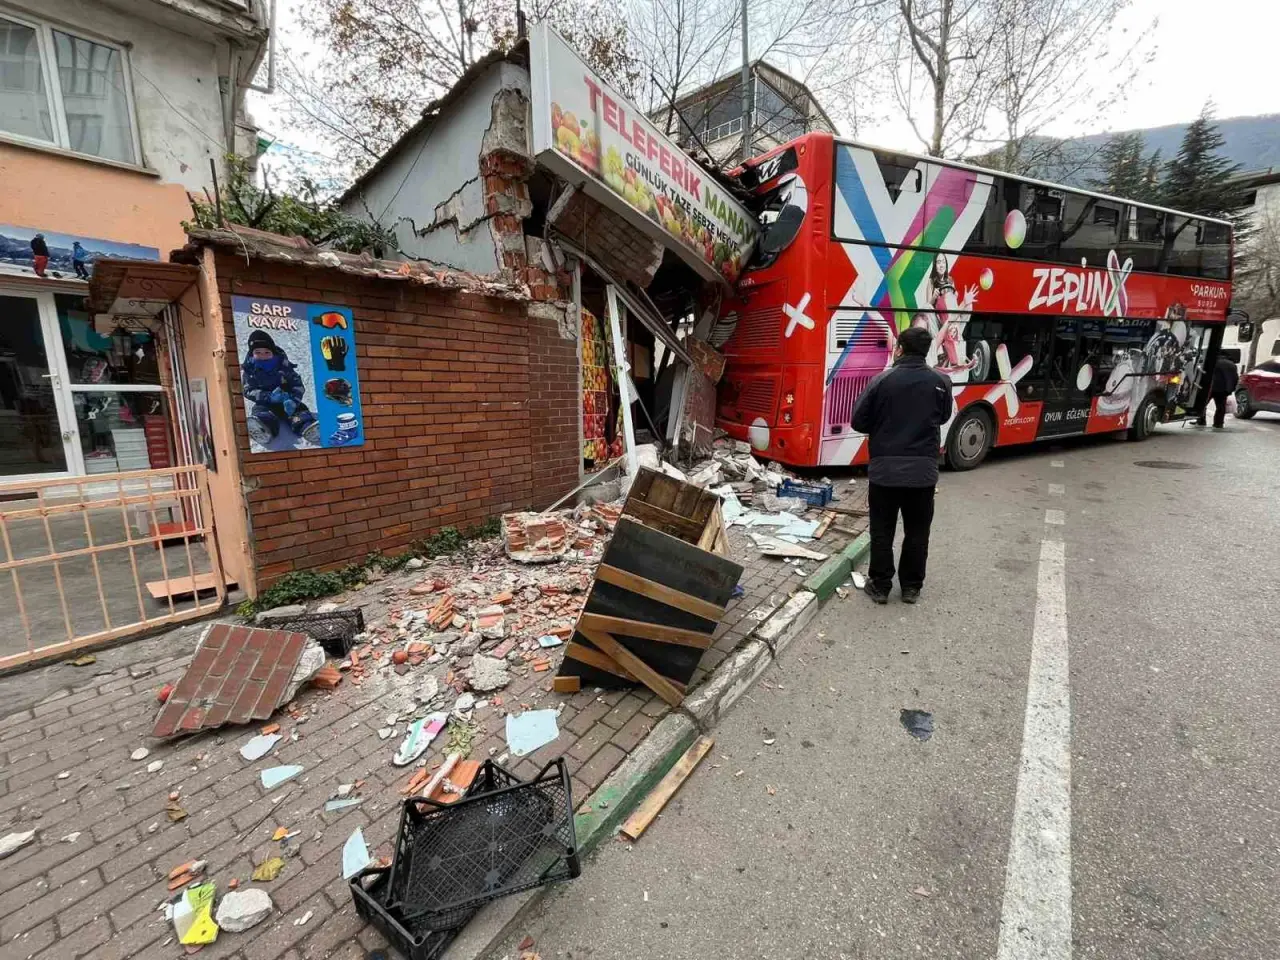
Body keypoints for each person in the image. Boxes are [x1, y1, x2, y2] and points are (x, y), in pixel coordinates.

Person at [852, 325, 954, 604]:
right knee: (918, 532)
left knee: (882, 531)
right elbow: (943, 417)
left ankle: (881, 586)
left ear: (900, 349)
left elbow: (858, 420)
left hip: (884, 472)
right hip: (923, 474)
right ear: (926, 351)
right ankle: (911, 587)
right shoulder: (940, 381)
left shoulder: (882, 381)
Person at [240, 330, 320, 447]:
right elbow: (248, 390)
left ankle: (307, 427)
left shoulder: (283, 366)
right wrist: (268, 397)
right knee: (261, 412)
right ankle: (264, 429)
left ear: (273, 352)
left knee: (299, 411)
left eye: (267, 352)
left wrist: (294, 400)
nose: (263, 356)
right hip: (266, 402)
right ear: (252, 354)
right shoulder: (250, 371)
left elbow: (298, 385)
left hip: (287, 400)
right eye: (258, 352)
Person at [1196, 354, 1239, 428]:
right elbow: (1235, 378)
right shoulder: (1232, 365)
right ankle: (1218, 423)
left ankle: (1201, 421)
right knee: (1221, 407)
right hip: (1223, 389)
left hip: (1210, 388)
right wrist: (1231, 388)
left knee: (1202, 405)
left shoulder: (1213, 362)